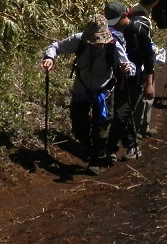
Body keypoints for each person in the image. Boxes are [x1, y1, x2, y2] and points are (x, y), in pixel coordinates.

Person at [41, 13, 134, 174]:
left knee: (101, 128)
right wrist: (50, 58)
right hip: (82, 89)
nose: (96, 43)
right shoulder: (79, 40)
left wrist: (127, 68)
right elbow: (55, 47)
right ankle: (89, 147)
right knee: (78, 126)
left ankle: (96, 161)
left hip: (104, 91)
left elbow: (128, 65)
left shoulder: (113, 45)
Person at [104, 0, 140, 161]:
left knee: (121, 114)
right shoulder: (109, 33)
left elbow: (147, 56)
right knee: (121, 114)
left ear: (125, 15)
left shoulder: (137, 31)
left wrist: (147, 80)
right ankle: (128, 143)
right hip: (117, 79)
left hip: (132, 79)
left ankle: (112, 147)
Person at [126, 0, 161, 137]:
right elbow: (145, 49)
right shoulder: (142, 20)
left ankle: (138, 127)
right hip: (141, 63)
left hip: (132, 60)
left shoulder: (134, 9)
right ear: (155, 2)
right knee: (145, 96)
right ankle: (139, 129)